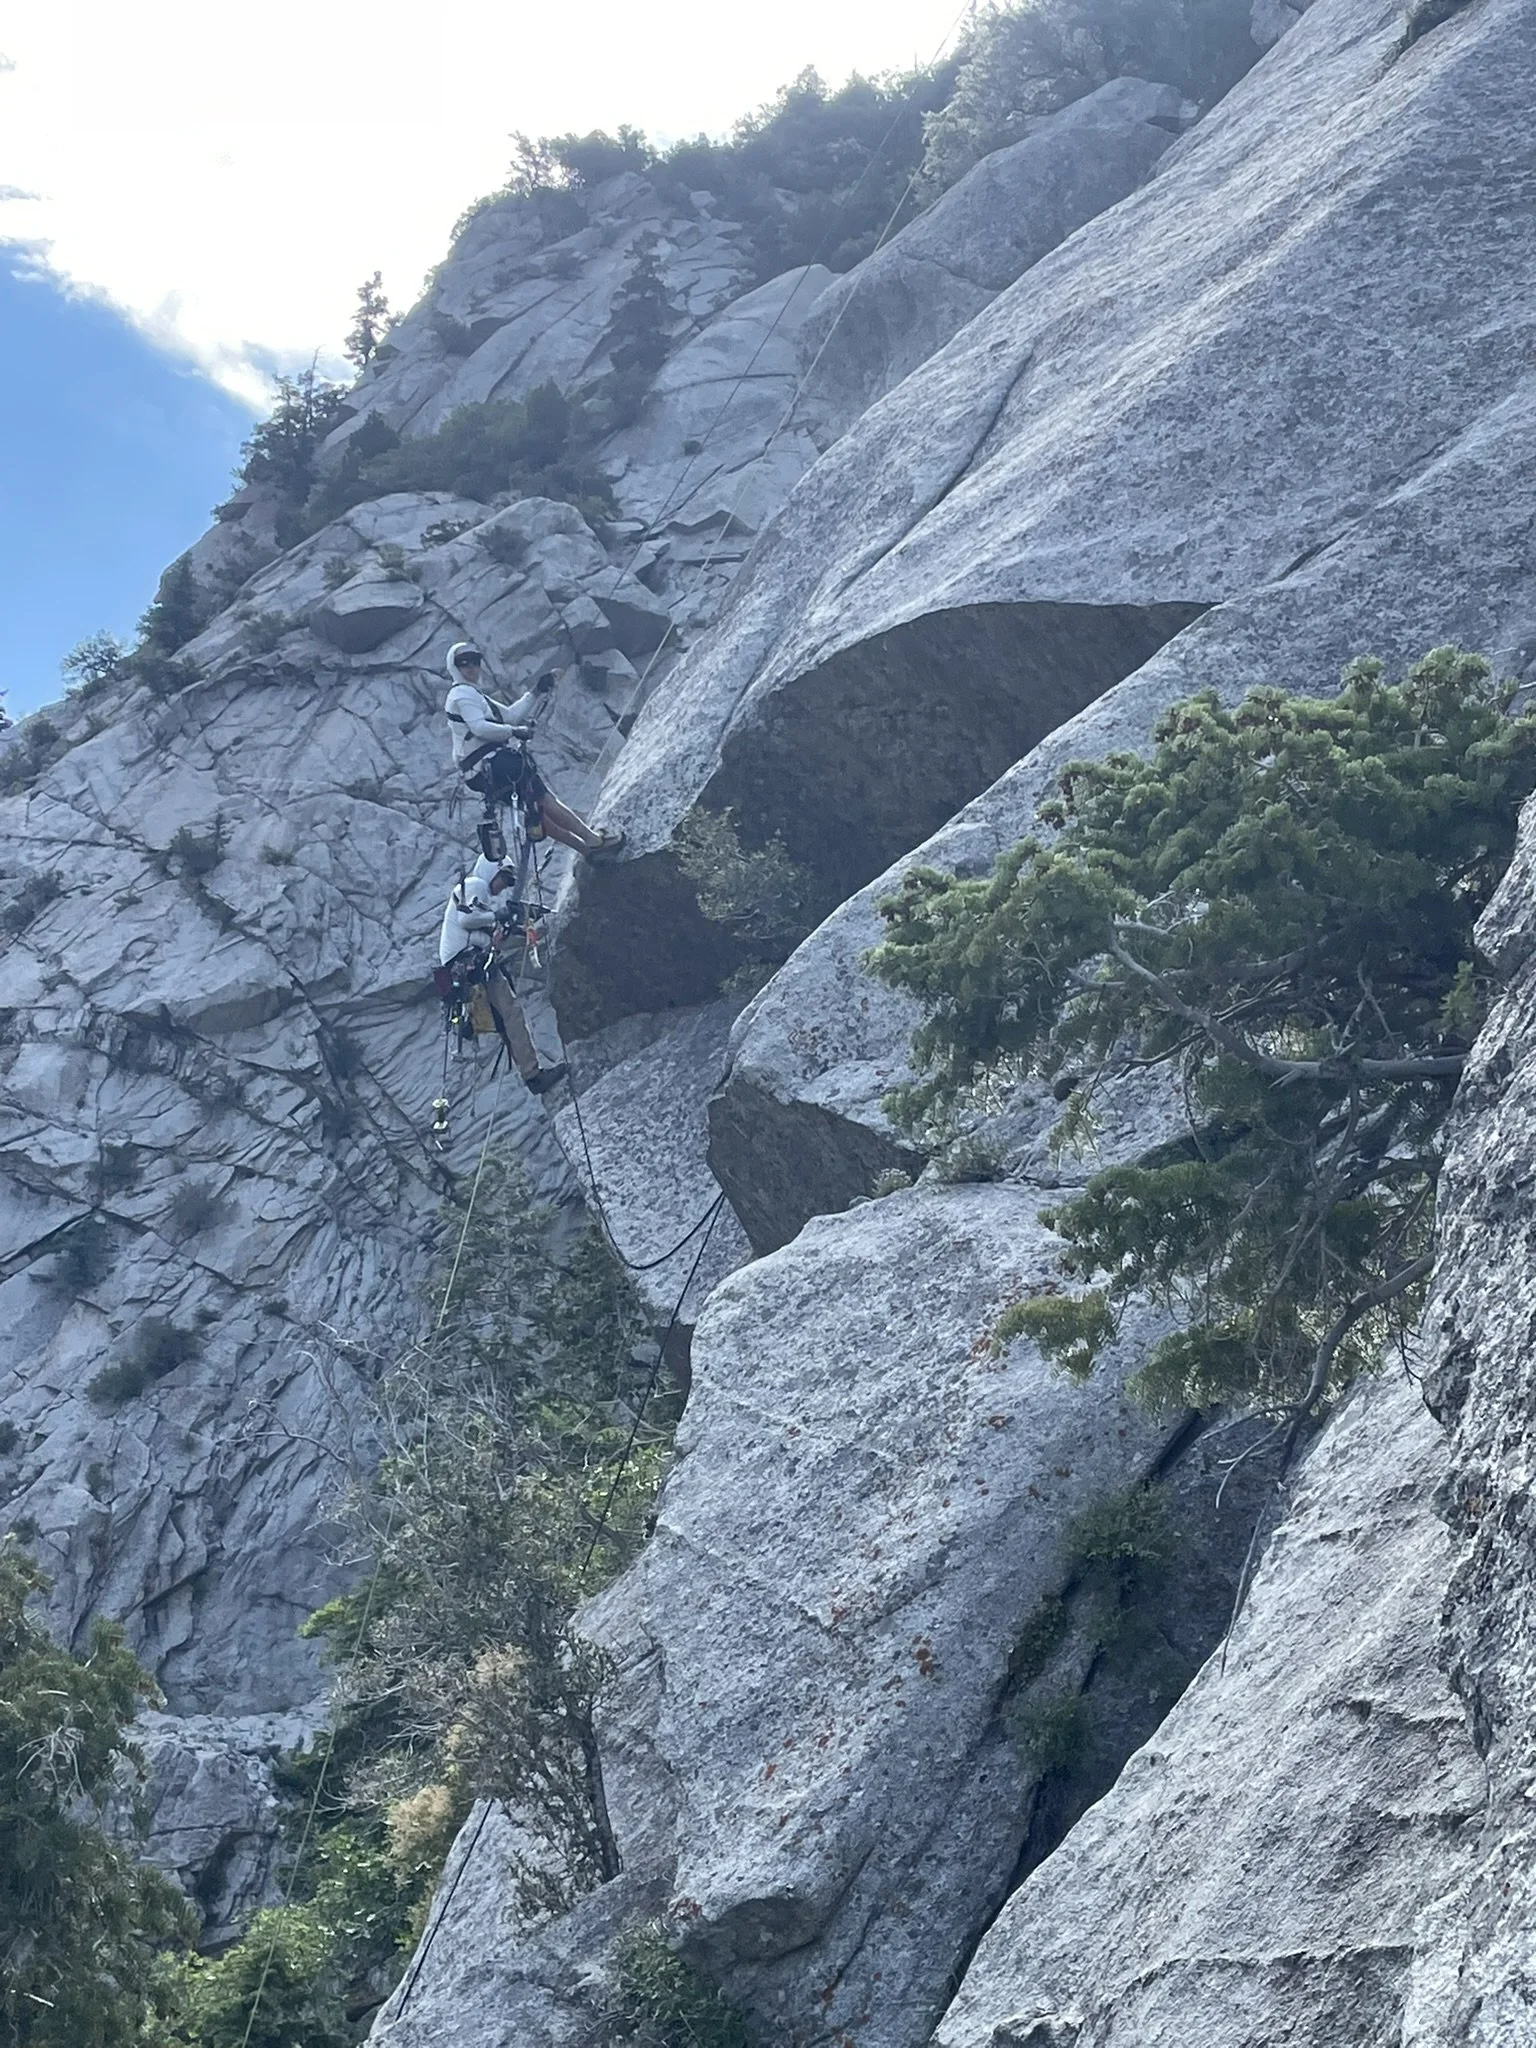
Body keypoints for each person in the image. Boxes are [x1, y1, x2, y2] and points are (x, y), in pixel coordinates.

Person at [443, 642, 624, 855]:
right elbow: (479, 728)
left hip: (479, 772)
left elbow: (510, 715)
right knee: (544, 798)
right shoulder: (462, 695)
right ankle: (593, 840)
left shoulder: (471, 695)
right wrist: (514, 731)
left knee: (535, 810)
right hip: (492, 764)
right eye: (465, 663)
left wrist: (536, 691)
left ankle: (585, 849)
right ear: (455, 667)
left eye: (475, 662)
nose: (472, 667)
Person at [436, 856, 568, 1095]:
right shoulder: (475, 884)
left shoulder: (479, 896)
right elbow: (467, 919)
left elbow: (483, 932)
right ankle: (533, 1075)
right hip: (470, 963)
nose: (505, 886)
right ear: (492, 871)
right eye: (504, 879)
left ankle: (530, 1073)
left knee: (505, 1020)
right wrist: (500, 915)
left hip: (467, 966)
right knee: (512, 1013)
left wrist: (517, 924)